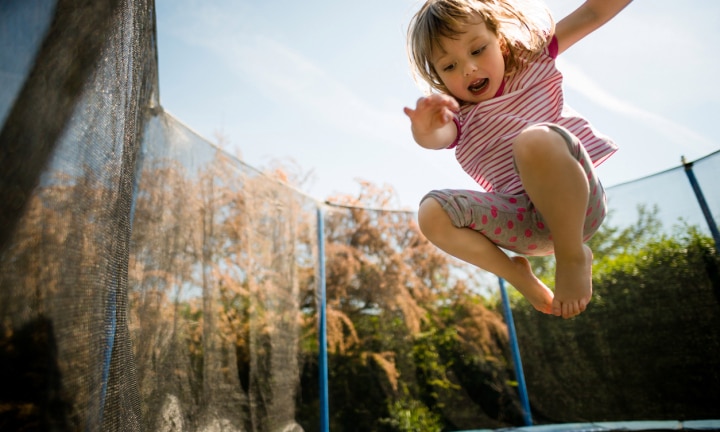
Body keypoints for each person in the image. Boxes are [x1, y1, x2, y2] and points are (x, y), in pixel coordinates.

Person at [403, 0, 632, 318]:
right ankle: (517, 276)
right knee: (431, 213)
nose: (468, 68)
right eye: (450, 66)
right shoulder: (457, 115)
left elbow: (592, 13)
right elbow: (436, 138)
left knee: (533, 140)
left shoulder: (531, 61)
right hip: (523, 225)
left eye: (478, 50)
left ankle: (572, 256)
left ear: (499, 41)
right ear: (438, 75)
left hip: (578, 208)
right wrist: (425, 130)